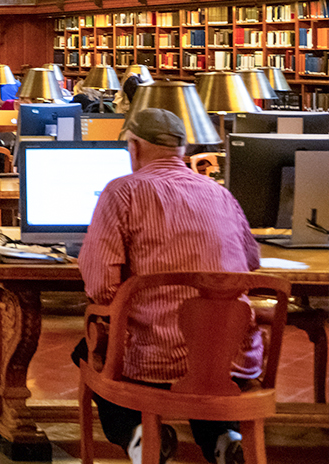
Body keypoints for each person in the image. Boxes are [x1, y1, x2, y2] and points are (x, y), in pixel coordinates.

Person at [75, 108, 259, 464]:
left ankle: (140, 436)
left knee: (89, 349)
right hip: (231, 356)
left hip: (152, 361)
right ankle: (225, 436)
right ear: (182, 149)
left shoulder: (122, 192)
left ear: (134, 146)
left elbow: (100, 287)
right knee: (205, 365)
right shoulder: (220, 194)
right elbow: (251, 264)